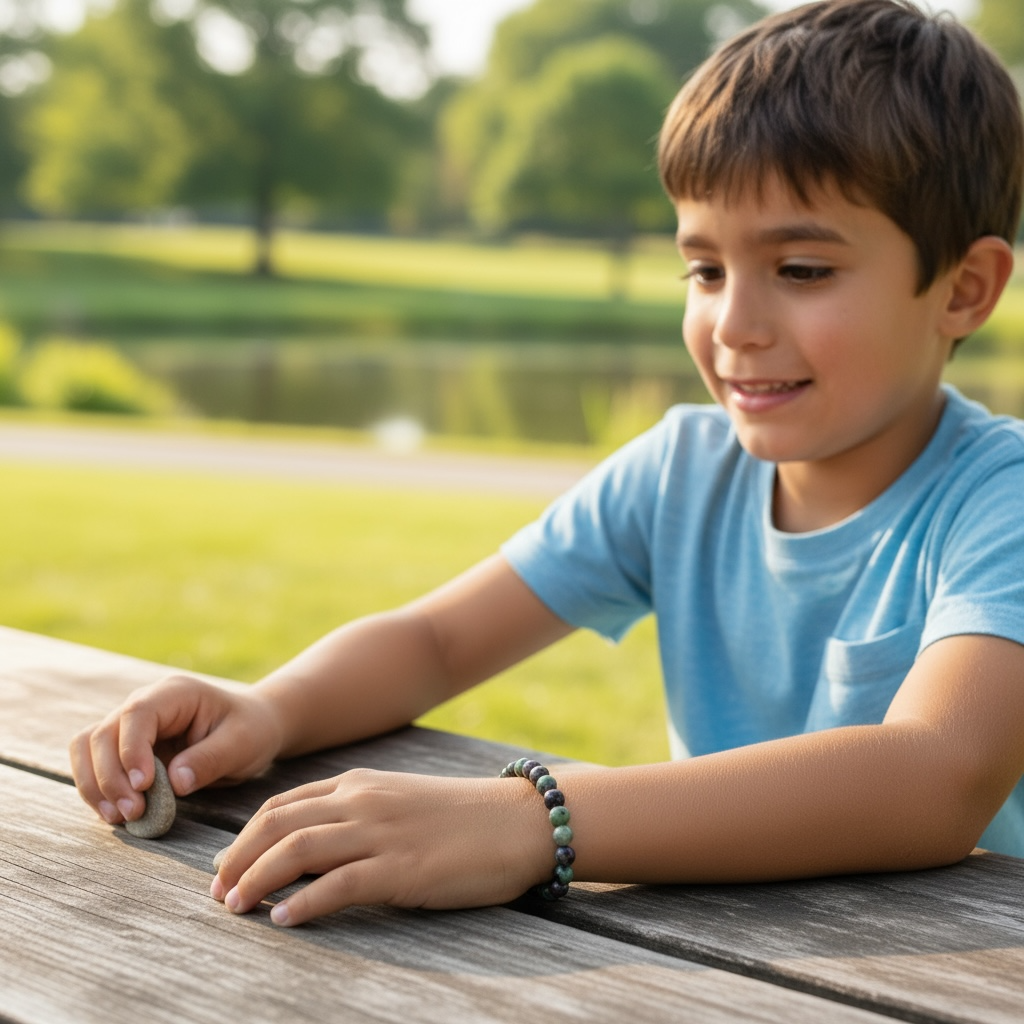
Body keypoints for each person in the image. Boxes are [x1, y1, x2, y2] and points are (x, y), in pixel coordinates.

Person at [71, 0, 1024, 927]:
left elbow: (935, 774)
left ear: (964, 289)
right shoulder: (683, 471)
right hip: (715, 958)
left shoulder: (1000, 498)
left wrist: (536, 820)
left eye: (802, 270)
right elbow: (437, 641)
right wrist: (270, 710)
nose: (734, 324)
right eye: (704, 270)